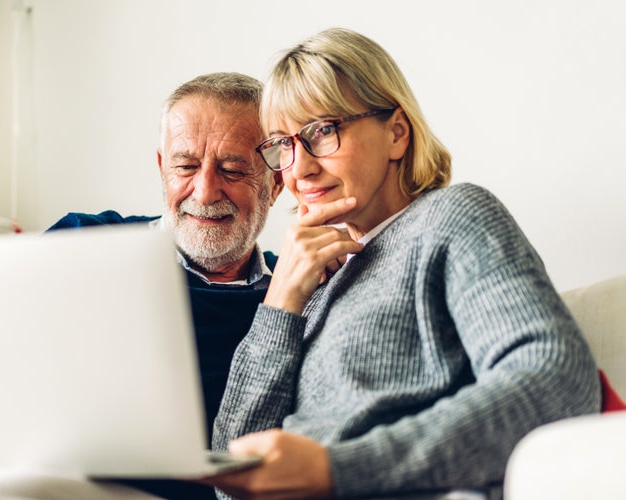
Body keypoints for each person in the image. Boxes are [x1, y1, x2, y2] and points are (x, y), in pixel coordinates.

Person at [205, 28, 601, 500]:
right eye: (282, 145)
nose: (301, 168)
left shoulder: (452, 217)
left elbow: (555, 381)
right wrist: (282, 301)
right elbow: (230, 480)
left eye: (322, 132)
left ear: (396, 132)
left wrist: (336, 469)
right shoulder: (312, 280)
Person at [0, 72, 283, 499]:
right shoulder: (85, 237)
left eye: (232, 170)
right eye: (185, 166)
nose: (204, 189)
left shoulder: (292, 298)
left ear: (274, 183)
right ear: (162, 168)